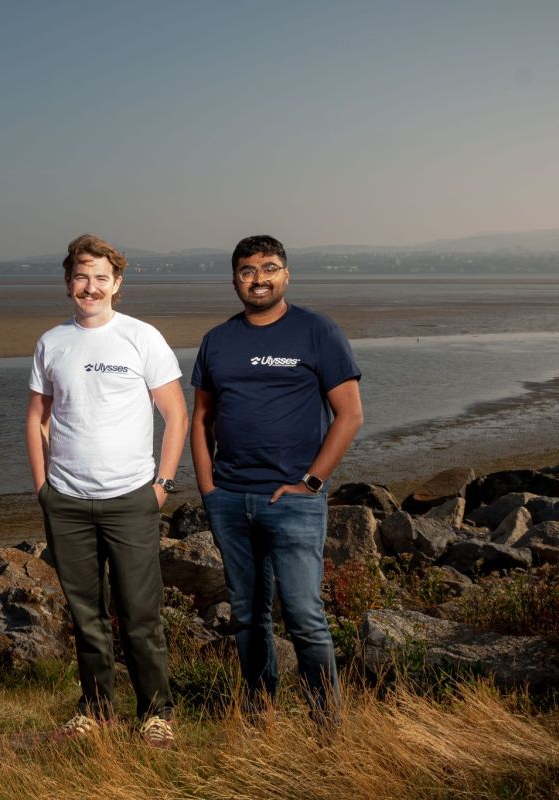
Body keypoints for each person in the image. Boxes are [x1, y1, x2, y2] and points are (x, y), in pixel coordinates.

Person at [190, 235, 363, 725]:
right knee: (247, 615)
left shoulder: (317, 331)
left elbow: (349, 415)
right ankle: (259, 710)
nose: (258, 278)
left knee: (305, 618)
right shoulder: (218, 340)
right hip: (229, 498)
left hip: (294, 501)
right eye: (247, 270)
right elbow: (201, 420)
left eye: (269, 268)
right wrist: (208, 488)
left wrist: (311, 482)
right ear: (234, 280)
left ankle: (326, 721)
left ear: (287, 275)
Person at [26, 233, 188, 747]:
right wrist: (43, 487)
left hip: (131, 500)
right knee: (85, 614)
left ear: (117, 283)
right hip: (67, 502)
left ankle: (156, 713)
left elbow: (176, 415)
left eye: (100, 278)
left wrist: (162, 484)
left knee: (140, 613)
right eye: (80, 277)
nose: (89, 287)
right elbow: (37, 419)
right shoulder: (52, 342)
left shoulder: (141, 337)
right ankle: (95, 710)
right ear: (68, 282)